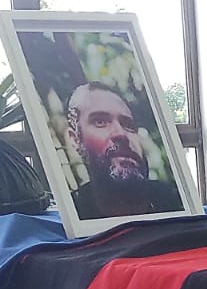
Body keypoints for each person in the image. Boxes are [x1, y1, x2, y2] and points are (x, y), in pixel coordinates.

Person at [64, 82, 185, 219]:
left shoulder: (177, 202)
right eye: (100, 122)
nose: (121, 134)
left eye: (128, 125)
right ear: (75, 139)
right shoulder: (72, 213)